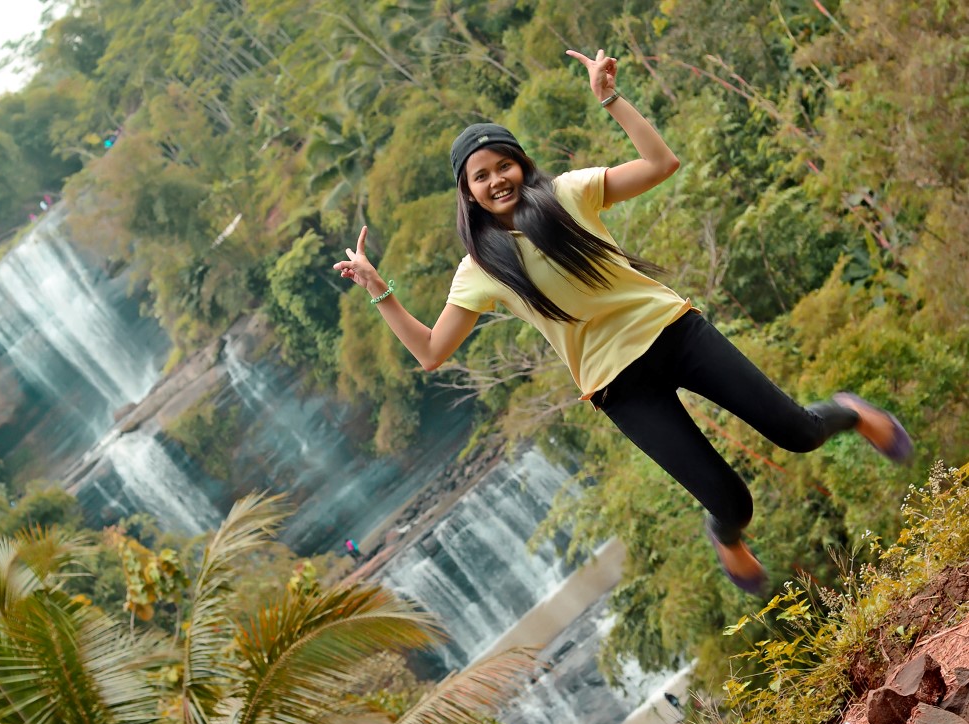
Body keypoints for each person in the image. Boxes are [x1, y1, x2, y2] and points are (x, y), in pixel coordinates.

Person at [332, 48, 913, 595]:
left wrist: (611, 99)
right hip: (619, 388)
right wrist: (381, 293)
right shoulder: (479, 268)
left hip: (677, 334)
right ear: (468, 193)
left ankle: (852, 413)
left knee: (800, 433)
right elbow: (432, 352)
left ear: (520, 164)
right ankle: (725, 535)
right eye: (480, 176)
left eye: (502, 165)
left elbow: (662, 163)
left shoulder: (567, 193)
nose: (496, 180)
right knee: (732, 504)